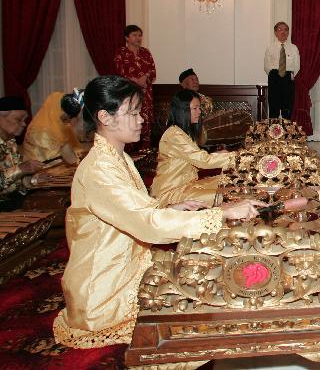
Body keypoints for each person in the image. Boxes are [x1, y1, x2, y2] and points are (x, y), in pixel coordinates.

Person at [53, 75, 265, 349]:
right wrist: (220, 214)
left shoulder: (116, 156)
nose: (141, 119)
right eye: (132, 113)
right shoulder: (99, 168)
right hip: (105, 291)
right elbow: (147, 224)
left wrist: (170, 208)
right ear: (105, 117)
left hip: (128, 263)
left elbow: (136, 208)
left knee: (208, 275)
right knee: (203, 300)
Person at [150, 89, 231, 206]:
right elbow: (203, 161)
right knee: (225, 194)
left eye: (199, 108)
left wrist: (219, 155)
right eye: (195, 108)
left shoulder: (182, 132)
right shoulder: (174, 135)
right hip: (171, 192)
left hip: (187, 186)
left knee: (229, 181)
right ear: (182, 110)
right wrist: (238, 158)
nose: (199, 112)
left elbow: (195, 160)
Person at [0, 96, 49, 209]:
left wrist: (32, 181)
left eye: (24, 120)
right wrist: (21, 169)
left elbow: (11, 185)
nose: (23, 124)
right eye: (18, 119)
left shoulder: (11, 142)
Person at [114, 24, 156, 149]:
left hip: (145, 93)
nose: (138, 38)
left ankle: (145, 151)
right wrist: (135, 81)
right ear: (127, 37)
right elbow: (119, 72)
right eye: (134, 35)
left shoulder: (145, 53)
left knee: (145, 120)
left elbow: (153, 72)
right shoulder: (121, 53)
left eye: (139, 35)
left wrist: (145, 77)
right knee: (130, 119)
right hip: (129, 94)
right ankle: (130, 152)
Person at [22, 89, 90, 165]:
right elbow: (65, 160)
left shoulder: (61, 124)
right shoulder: (41, 133)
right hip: (42, 172)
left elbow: (74, 152)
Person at [264, 21, 300, 119]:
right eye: (280, 29)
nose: (283, 32)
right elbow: (267, 66)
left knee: (287, 108)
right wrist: (275, 75)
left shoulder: (293, 48)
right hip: (274, 78)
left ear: (288, 33)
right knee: (273, 108)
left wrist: (287, 75)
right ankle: (273, 133)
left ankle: (287, 132)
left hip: (288, 79)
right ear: (275, 33)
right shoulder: (270, 48)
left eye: (285, 30)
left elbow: (296, 67)